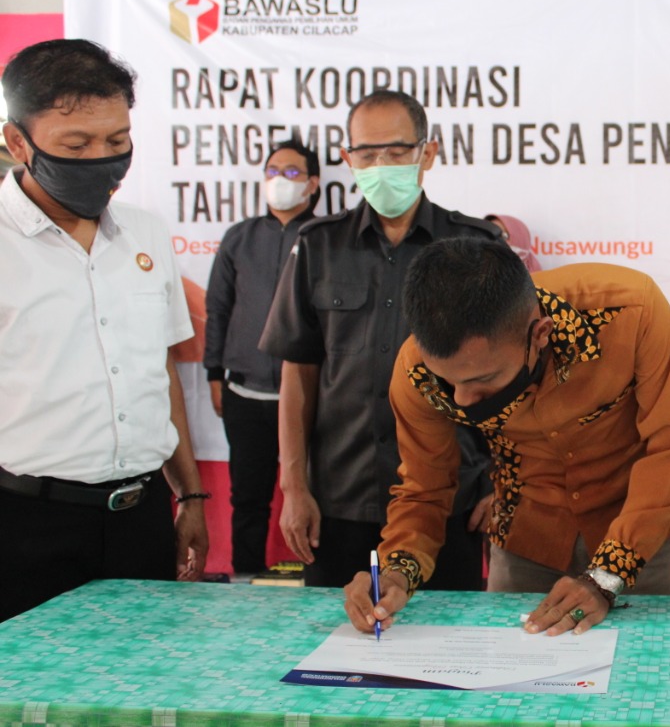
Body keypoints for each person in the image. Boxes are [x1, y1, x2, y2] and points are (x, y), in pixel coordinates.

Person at [341, 238, 670, 637]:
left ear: (540, 334)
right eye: (449, 382)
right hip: (526, 541)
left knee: (640, 678)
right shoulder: (416, 372)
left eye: (482, 380)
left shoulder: (631, 311)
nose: (461, 399)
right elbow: (424, 487)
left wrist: (608, 576)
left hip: (638, 538)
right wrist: (397, 572)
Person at [0, 39, 209, 621]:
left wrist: (189, 494)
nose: (101, 159)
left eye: (117, 142)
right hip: (25, 524)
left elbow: (159, 372)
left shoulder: (145, 234)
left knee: (142, 690)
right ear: (19, 141)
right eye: (77, 144)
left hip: (139, 521)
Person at [259, 90, 499, 589]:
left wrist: (501, 483)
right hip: (339, 501)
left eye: (396, 152)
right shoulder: (317, 246)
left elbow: (510, 380)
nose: (381, 165)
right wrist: (294, 487)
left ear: (427, 154)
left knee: (447, 656)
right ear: (348, 159)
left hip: (447, 500)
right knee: (332, 654)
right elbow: (298, 376)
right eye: (367, 154)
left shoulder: (475, 249)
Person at [203, 139, 320, 576]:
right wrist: (214, 373)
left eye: (292, 173)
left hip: (311, 395)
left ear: (313, 183)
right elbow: (218, 307)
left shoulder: (324, 236)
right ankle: (245, 577)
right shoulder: (241, 236)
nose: (280, 181)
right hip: (245, 392)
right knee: (248, 497)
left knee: (312, 496)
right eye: (273, 171)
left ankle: (320, 580)